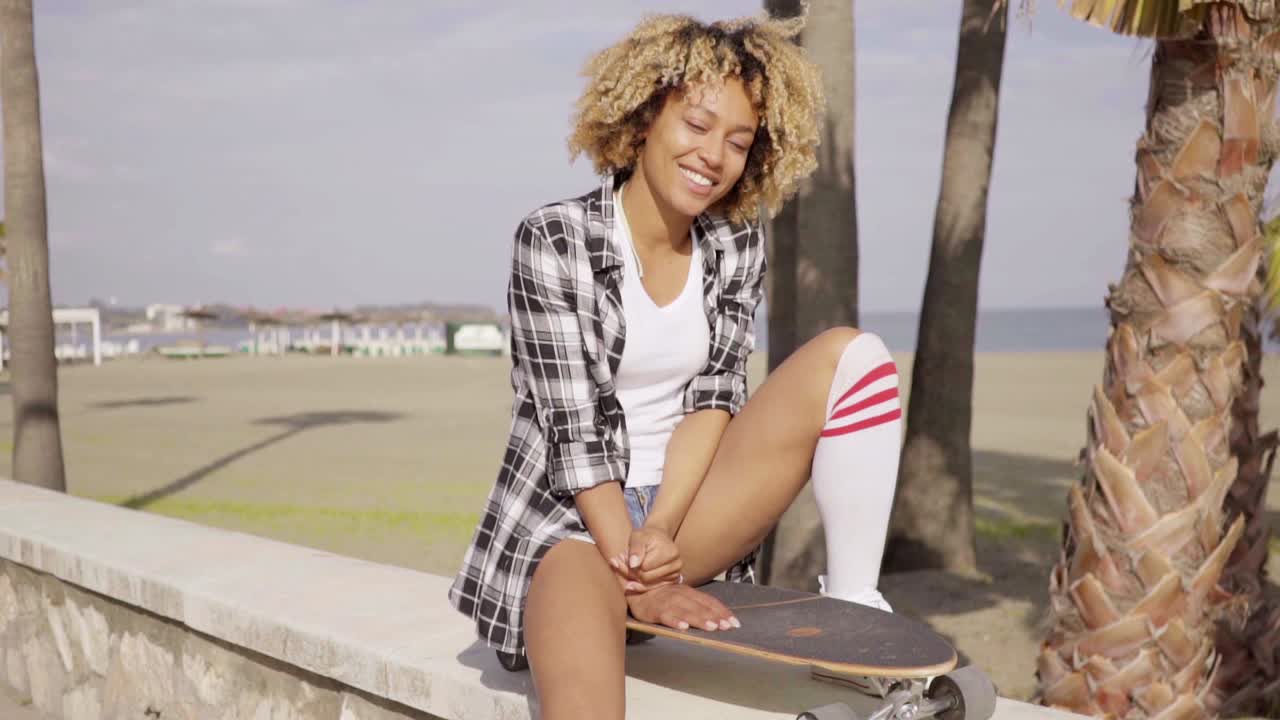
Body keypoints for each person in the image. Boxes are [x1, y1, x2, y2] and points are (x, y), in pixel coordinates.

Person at [448, 9, 902, 719]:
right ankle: (626, 595)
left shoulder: (734, 245)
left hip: (686, 512)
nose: (713, 155)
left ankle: (855, 614)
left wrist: (662, 534)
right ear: (645, 116)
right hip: (574, 525)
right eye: (696, 124)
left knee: (854, 357)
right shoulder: (555, 238)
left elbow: (713, 402)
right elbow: (575, 434)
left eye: (738, 141)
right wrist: (637, 571)